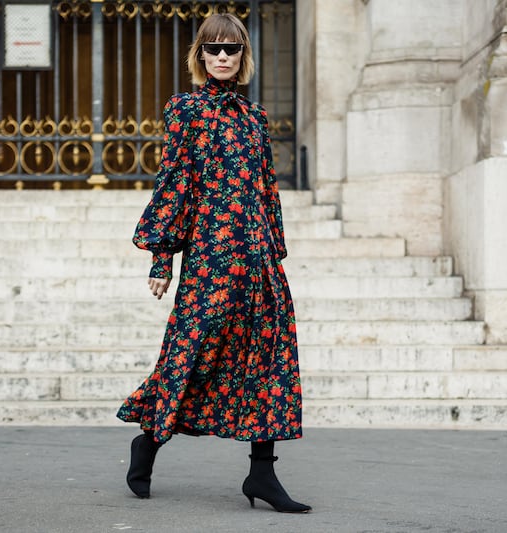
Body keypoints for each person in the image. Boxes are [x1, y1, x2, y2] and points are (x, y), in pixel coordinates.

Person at [116, 13, 310, 514]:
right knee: (193, 352)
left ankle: (262, 474)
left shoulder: (255, 117)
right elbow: (175, 181)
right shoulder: (185, 109)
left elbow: (268, 190)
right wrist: (163, 258)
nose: (223, 57)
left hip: (258, 256)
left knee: (268, 357)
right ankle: (150, 440)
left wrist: (275, 251)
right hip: (210, 256)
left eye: (232, 49)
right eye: (213, 49)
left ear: (243, 57)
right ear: (199, 56)